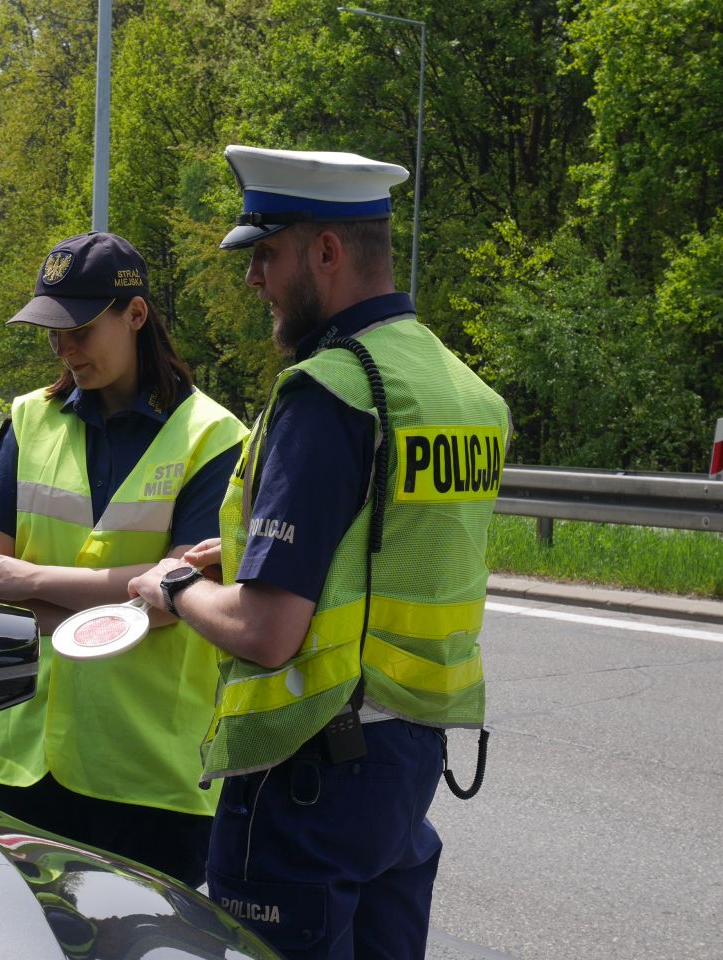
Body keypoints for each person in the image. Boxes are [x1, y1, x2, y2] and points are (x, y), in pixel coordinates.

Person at [128, 146, 511, 959]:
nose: (252, 279)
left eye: (266, 255)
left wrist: (173, 585)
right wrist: (245, 554)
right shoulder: (461, 390)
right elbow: (387, 547)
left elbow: (269, 633)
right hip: (408, 760)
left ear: (327, 252)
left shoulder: (331, 390)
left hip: (310, 765)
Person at [0, 231, 246, 888]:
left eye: (80, 330)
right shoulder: (30, 418)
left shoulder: (213, 436)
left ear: (135, 314)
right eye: (53, 334)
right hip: (16, 764)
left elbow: (178, 596)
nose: (65, 349)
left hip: (149, 776)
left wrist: (30, 581)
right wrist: (123, 601)